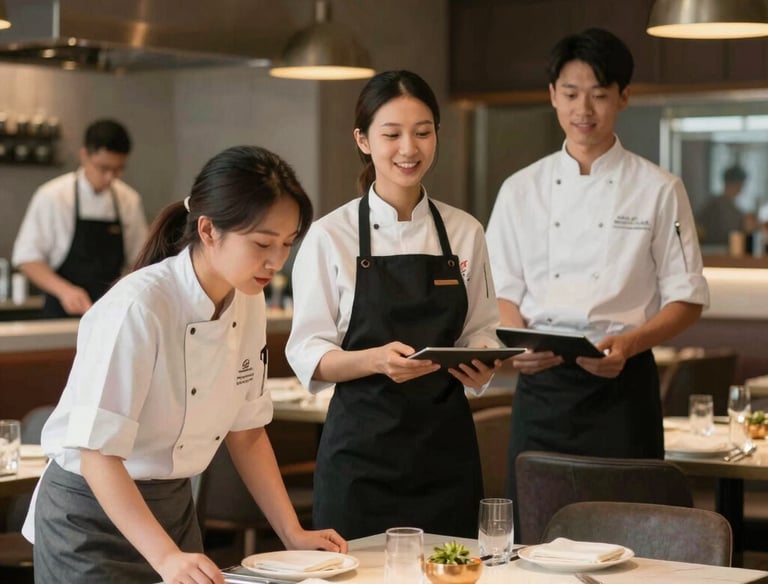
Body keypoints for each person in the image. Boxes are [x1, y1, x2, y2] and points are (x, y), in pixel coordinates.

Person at [22, 145, 347, 583]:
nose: (276, 261)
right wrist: (166, 558)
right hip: (90, 520)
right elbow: (97, 454)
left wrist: (292, 531)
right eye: (262, 244)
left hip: (173, 508)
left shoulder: (247, 300)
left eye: (287, 244)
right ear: (209, 230)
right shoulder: (139, 306)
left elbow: (247, 432)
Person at [485, 28, 710, 525]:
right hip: (541, 389)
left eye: (599, 94)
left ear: (624, 98)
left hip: (621, 388)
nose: (583, 109)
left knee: (631, 533)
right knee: (532, 530)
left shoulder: (657, 188)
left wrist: (630, 343)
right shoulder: (521, 189)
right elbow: (500, 289)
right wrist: (518, 343)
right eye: (570, 94)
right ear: (552, 96)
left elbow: (686, 298)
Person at [286, 70, 503, 540]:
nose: (409, 148)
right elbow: (307, 352)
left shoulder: (466, 231)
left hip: (446, 456)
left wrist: (482, 362)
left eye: (423, 133)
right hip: (360, 463)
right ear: (363, 140)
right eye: (392, 134)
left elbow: (483, 328)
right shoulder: (330, 236)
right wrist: (374, 361)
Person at [12, 118, 148, 318]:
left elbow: (141, 261)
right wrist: (64, 291)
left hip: (110, 315)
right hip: (61, 316)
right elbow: (27, 258)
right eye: (103, 168)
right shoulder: (52, 196)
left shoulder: (129, 200)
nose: (110, 177)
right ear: (84, 155)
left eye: (118, 169)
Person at [696, 164, 756, 248]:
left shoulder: (733, 208)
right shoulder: (713, 205)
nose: (742, 188)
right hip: (712, 253)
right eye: (741, 184)